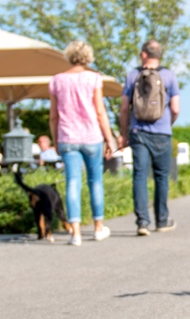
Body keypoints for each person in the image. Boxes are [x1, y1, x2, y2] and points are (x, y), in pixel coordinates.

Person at [50, 40, 118, 246]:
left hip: (67, 137)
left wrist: (56, 140)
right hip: (91, 137)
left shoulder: (57, 80)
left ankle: (76, 233)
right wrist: (110, 139)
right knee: (95, 181)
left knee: (72, 182)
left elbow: (53, 116)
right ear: (88, 57)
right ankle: (98, 228)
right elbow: (99, 111)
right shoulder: (94, 78)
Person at [119, 39, 180, 236]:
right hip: (162, 132)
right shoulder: (169, 76)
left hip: (139, 133)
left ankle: (143, 222)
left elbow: (124, 108)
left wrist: (123, 134)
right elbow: (176, 109)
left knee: (140, 176)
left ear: (144, 54)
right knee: (162, 177)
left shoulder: (132, 76)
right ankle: (162, 220)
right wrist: (167, 125)